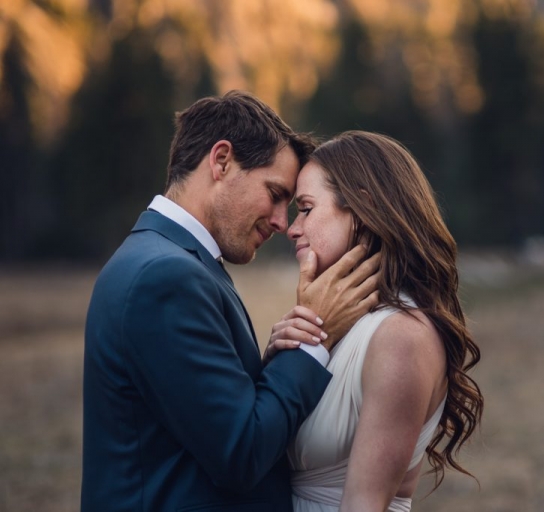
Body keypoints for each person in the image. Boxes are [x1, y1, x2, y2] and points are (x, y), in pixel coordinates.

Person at [81, 91, 380, 512]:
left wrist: (278, 358)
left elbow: (208, 416)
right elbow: (240, 452)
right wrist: (315, 335)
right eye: (275, 193)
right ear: (221, 160)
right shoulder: (165, 278)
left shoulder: (172, 261)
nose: (281, 222)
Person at [268, 131, 484, 511]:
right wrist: (281, 362)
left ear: (363, 211)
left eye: (305, 208)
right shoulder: (338, 323)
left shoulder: (402, 336)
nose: (292, 227)